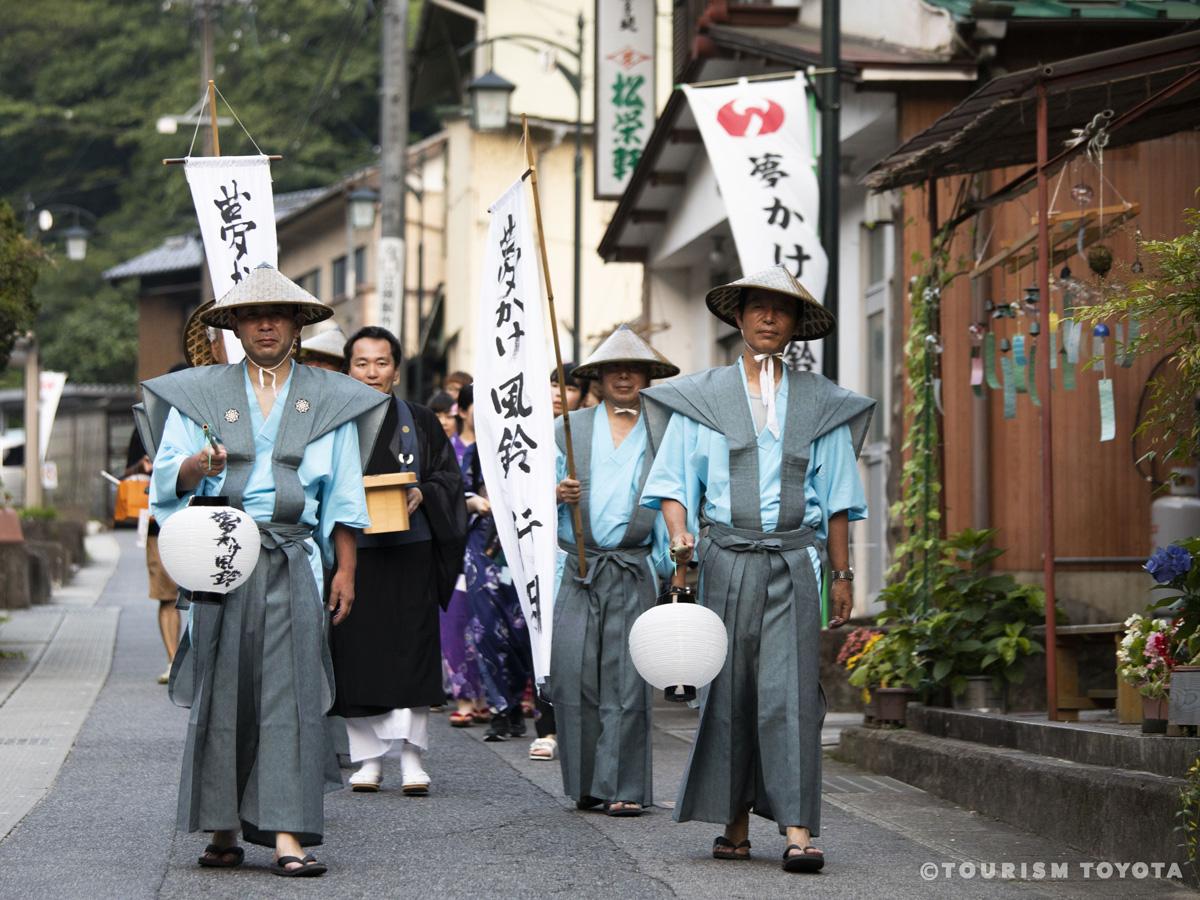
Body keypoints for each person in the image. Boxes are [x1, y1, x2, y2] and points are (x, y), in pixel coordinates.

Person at [141, 263, 389, 877]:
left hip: (293, 557)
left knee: (292, 693)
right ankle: (223, 829)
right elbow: (166, 482)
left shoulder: (328, 396)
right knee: (223, 691)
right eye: (252, 314)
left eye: (279, 314)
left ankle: (286, 835)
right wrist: (198, 465)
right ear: (234, 325)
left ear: (299, 323)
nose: (266, 324)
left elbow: (346, 496)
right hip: (221, 559)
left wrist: (346, 571)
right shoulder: (200, 394)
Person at [640, 266, 875, 873]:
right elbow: (672, 482)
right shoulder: (703, 398)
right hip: (723, 558)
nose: (769, 318)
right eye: (758, 308)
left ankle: (798, 830)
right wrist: (678, 536)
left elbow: (840, 498)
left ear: (797, 326)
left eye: (782, 310)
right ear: (738, 317)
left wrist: (843, 576)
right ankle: (735, 824)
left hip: (795, 561)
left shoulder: (822, 402)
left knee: (792, 693)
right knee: (730, 691)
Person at [331, 327, 467, 794]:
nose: (372, 372)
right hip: (353, 552)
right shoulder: (332, 421)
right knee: (356, 652)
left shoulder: (421, 419)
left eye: (382, 362)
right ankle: (368, 759)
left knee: (413, 650)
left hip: (412, 548)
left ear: (396, 369)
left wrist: (421, 492)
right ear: (347, 367)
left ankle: (412, 758)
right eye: (362, 363)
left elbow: (450, 479)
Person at [551, 325, 677, 816]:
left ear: (648, 376)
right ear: (598, 377)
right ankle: (586, 783)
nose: (624, 376)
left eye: (635, 368)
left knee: (627, 679)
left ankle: (624, 787)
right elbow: (534, 494)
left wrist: (675, 563)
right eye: (613, 368)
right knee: (573, 673)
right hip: (578, 565)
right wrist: (556, 493)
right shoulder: (569, 428)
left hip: (632, 565)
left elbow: (674, 494)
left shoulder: (664, 429)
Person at [461, 427, 533, 741]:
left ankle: (516, 700)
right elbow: (456, 493)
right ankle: (499, 708)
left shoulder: (537, 442)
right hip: (482, 544)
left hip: (525, 540)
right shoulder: (476, 450)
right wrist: (474, 502)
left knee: (521, 630)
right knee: (486, 628)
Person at [125, 364, 187, 684]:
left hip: (199, 518)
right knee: (166, 594)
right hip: (157, 522)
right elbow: (128, 472)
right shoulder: (147, 421)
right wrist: (143, 464)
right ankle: (173, 661)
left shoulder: (208, 418)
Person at [439, 384, 488, 727]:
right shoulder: (447, 450)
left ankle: (488, 695)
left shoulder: (499, 449)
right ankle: (463, 697)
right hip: (454, 544)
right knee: (455, 619)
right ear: (463, 410)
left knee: (488, 619)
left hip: (490, 546)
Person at [428, 390, 468, 467]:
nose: (443, 422)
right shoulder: (423, 448)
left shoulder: (468, 449)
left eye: (449, 417)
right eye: (437, 416)